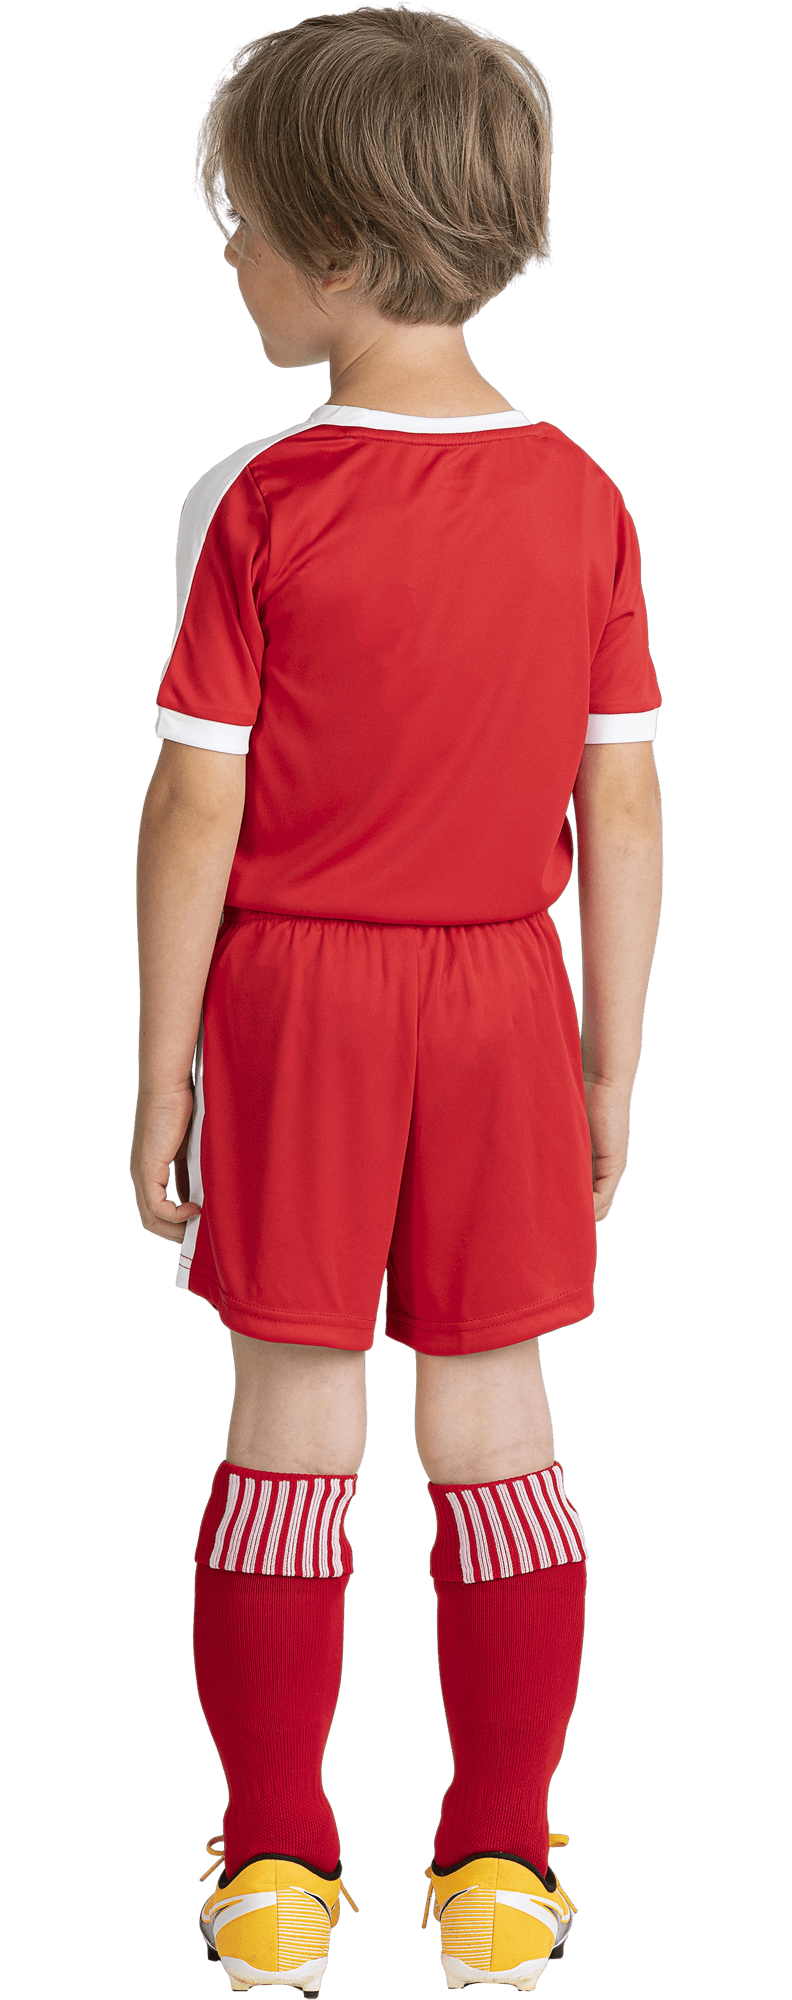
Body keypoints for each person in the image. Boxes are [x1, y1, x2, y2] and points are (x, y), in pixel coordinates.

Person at [130, 8, 663, 1989]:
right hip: (506, 993)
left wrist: (159, 1072)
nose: (230, 257)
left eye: (243, 227)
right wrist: (608, 1053)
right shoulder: (586, 495)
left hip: (296, 1003)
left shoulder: (252, 500)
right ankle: (502, 1863)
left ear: (340, 256)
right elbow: (624, 798)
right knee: (498, 1424)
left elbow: (196, 806)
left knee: (290, 1424)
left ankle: (275, 1861)